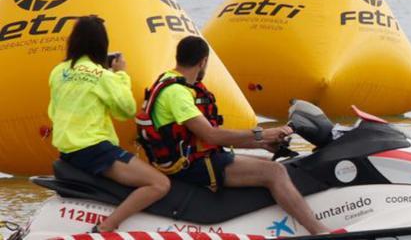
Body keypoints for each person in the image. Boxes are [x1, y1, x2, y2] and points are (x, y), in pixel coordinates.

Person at [138, 36, 328, 234]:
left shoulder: (168, 80)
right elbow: (212, 136)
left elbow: (207, 140)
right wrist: (262, 133)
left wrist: (261, 144)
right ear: (203, 61)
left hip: (192, 158)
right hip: (189, 167)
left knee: (269, 164)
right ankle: (319, 231)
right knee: (275, 172)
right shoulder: (177, 93)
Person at [49, 16, 170, 232]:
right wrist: (121, 74)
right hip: (93, 149)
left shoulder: (58, 72)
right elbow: (126, 110)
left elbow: (53, 111)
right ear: (101, 46)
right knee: (160, 184)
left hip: (67, 150)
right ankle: (107, 226)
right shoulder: (103, 76)